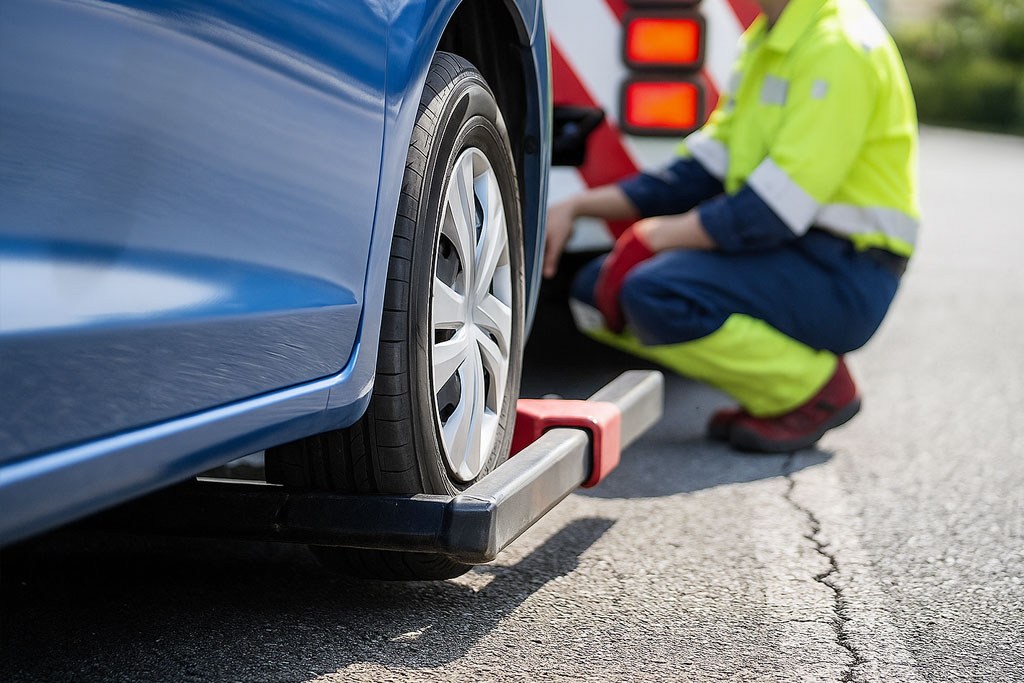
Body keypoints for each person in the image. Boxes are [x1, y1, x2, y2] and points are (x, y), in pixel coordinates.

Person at [544, 0, 919, 453]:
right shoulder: (768, 38)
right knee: (592, 288)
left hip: (847, 275)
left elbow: (771, 211)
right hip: (797, 250)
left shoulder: (838, 47)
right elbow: (701, 169)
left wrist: (654, 237)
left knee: (654, 292)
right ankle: (781, 391)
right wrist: (579, 205)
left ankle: (814, 391)